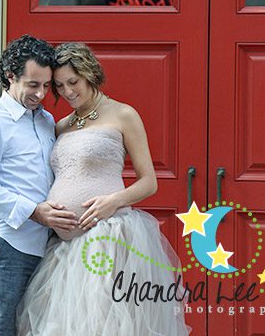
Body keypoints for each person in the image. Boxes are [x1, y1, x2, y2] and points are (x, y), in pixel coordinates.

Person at [17, 42, 190, 335]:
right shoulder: (61, 125)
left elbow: (149, 181)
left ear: (90, 74)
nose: (69, 91)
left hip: (107, 237)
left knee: (106, 323)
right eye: (59, 86)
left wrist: (113, 201)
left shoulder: (123, 115)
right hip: (64, 249)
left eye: (74, 82)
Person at [0, 35, 79, 336]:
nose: (41, 94)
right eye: (33, 85)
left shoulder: (45, 121)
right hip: (5, 247)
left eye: (45, 85)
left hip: (47, 246)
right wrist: (34, 211)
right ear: (10, 76)